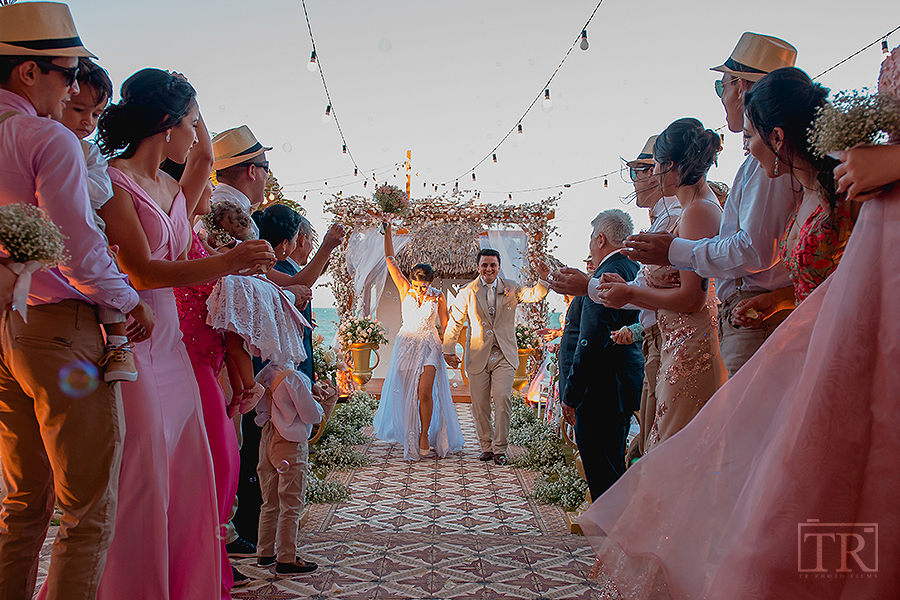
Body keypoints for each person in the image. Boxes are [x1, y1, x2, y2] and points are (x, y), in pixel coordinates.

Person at [577, 51, 900, 600]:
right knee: (757, 472)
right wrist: (776, 302)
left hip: (808, 339)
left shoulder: (830, 189)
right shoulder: (801, 186)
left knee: (747, 470)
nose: (741, 137)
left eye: (731, 92)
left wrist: (665, 266)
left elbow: (756, 254)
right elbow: (793, 269)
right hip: (794, 331)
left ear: (773, 131)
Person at [92, 68, 274, 600]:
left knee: (190, 478)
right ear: (168, 125)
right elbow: (144, 271)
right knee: (144, 479)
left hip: (171, 348)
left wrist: (196, 97)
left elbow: (206, 159)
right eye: (192, 123)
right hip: (135, 343)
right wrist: (230, 262)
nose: (198, 135)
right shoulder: (113, 181)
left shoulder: (174, 187)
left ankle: (185, 587)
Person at [0, 5, 153, 598]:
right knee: (87, 510)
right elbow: (77, 250)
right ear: (29, 71)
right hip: (62, 330)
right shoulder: (47, 138)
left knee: (21, 505)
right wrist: (127, 300)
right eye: (69, 74)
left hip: (9, 329)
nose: (71, 89)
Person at [551, 33, 800, 378]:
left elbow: (748, 257)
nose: (649, 174)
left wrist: (674, 251)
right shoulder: (752, 167)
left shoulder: (743, 181)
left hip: (723, 331)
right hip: (708, 329)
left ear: (742, 87)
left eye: (721, 85)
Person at [596, 118, 727, 451]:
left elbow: (691, 299)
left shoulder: (698, 211)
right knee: (663, 446)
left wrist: (629, 292)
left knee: (672, 450)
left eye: (653, 166)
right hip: (677, 341)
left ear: (670, 166)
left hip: (692, 343)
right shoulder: (691, 209)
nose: (651, 174)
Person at [730, 67, 856, 325]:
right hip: (810, 330)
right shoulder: (805, 193)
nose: (746, 147)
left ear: (776, 137)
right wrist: (777, 300)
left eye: (749, 136)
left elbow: (860, 279)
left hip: (842, 330)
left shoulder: (847, 191)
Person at [55, 56, 137, 382]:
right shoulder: (45, 139)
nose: (87, 121)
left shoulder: (88, 153)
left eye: (95, 114)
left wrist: (63, 173)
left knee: (106, 259)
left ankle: (117, 340)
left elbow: (99, 192)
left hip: (88, 219)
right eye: (78, 110)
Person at [560, 209, 643, 500]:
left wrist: (571, 392)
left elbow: (590, 339)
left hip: (600, 390)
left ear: (601, 239)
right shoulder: (633, 269)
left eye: (591, 240)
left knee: (603, 473)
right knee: (612, 463)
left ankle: (611, 540)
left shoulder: (610, 273)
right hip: (617, 385)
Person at [442, 248, 550, 466]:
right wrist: (448, 349)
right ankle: (486, 446)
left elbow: (534, 295)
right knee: (479, 404)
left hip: (504, 354)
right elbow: (455, 322)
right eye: (484, 265)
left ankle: (500, 448)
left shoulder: (512, 287)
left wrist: (543, 279)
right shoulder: (467, 292)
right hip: (477, 355)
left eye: (492, 265)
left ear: (499, 267)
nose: (488, 269)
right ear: (478, 267)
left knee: (502, 398)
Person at [373, 216, 465, 461]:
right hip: (406, 344)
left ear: (431, 282)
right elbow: (390, 260)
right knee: (408, 394)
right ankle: (410, 435)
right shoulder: (404, 288)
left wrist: (450, 352)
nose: (420, 289)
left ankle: (424, 435)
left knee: (425, 392)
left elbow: (446, 327)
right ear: (412, 280)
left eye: (424, 285)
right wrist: (389, 231)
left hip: (429, 345)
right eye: (417, 284)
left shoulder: (438, 297)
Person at [617, 136, 682, 464]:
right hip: (657, 340)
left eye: (638, 172)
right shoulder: (661, 218)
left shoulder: (674, 218)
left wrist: (596, 288)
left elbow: (680, 292)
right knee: (647, 441)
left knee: (656, 445)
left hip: (671, 340)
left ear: (655, 172)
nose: (636, 181)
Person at [209, 125, 271, 238]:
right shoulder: (229, 218)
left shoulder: (210, 204)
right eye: (265, 167)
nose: (267, 175)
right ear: (252, 171)